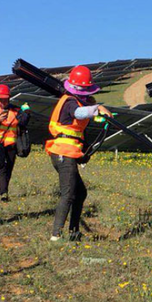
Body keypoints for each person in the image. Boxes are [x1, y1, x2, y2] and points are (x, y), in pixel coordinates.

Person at [46, 65, 111, 241]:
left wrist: (100, 115)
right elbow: (79, 113)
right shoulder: (69, 102)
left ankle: (74, 231)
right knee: (69, 193)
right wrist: (98, 108)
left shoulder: (76, 101)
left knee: (80, 193)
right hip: (62, 152)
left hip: (69, 152)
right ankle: (56, 236)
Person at [0, 84, 30, 202]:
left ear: (9, 98)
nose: (3, 102)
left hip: (11, 145)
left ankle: (4, 189)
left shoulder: (16, 110)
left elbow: (23, 122)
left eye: (5, 99)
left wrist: (26, 112)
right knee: (1, 168)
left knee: (9, 168)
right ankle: (3, 192)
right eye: (0, 99)